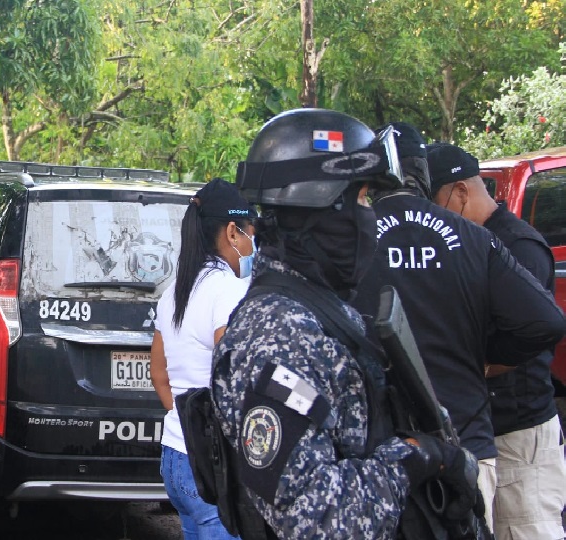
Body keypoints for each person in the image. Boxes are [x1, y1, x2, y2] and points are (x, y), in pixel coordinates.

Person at [213, 108, 480, 539]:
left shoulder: (320, 311)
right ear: (318, 205)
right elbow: (314, 520)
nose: (369, 216)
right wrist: (412, 459)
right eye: (360, 199)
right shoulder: (278, 335)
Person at [354, 122, 566, 532]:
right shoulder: (475, 240)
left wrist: (485, 361)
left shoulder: (354, 238)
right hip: (469, 440)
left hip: (415, 445)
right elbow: (544, 321)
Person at [427, 142, 566, 540]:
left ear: (460, 192)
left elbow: (535, 333)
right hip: (480, 431)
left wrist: (469, 366)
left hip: (519, 434)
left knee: (526, 531)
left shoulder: (517, 246)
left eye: (432, 202)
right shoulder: (464, 244)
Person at [151, 177, 256, 540]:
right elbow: (236, 379)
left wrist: (187, 424)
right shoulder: (229, 291)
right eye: (250, 233)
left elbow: (159, 374)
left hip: (177, 458)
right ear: (232, 232)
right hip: (215, 466)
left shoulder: (175, 291)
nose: (252, 243)